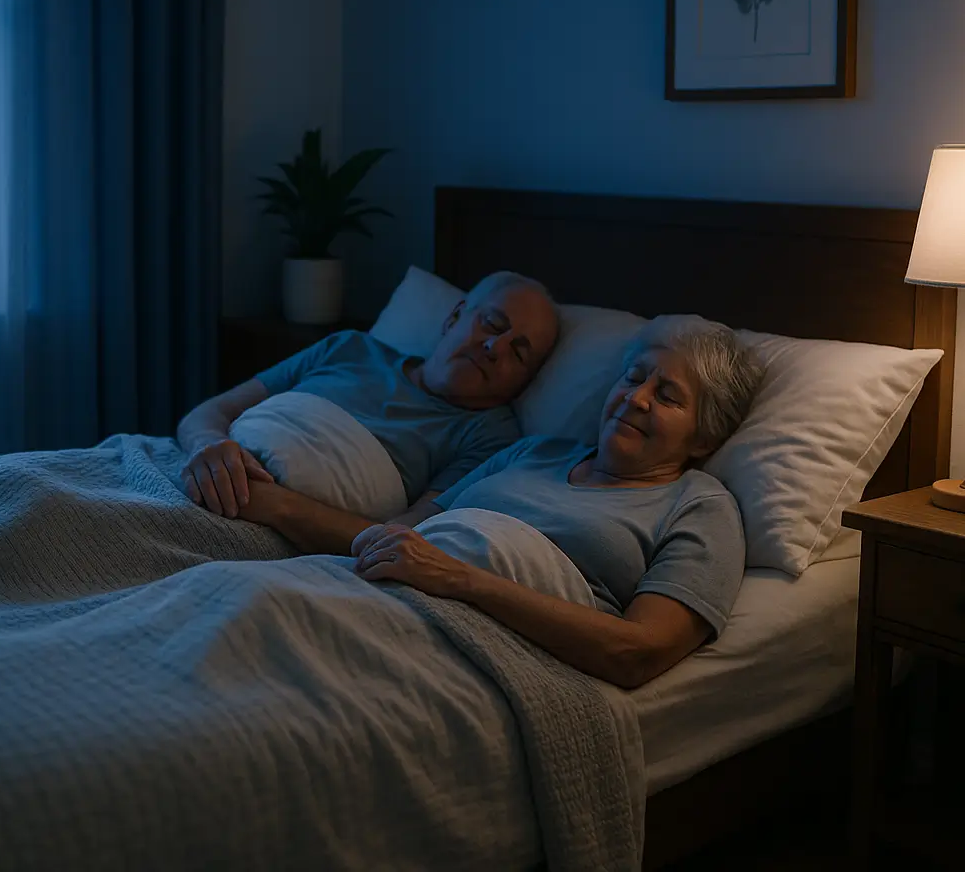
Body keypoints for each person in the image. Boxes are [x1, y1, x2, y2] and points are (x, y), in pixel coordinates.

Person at [347, 315, 764, 690]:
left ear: (706, 437)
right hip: (378, 597)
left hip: (469, 646)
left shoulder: (703, 508)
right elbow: (405, 530)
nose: (636, 399)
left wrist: (459, 580)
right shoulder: (532, 451)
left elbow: (638, 653)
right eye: (633, 378)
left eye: (668, 396)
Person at [177, 271, 560, 531]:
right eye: (493, 324)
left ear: (524, 381)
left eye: (519, 353)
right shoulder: (349, 347)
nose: (496, 347)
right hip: (187, 479)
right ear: (455, 316)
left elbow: (410, 532)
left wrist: (278, 506)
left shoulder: (491, 436)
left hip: (270, 528)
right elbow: (210, 412)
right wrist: (210, 447)